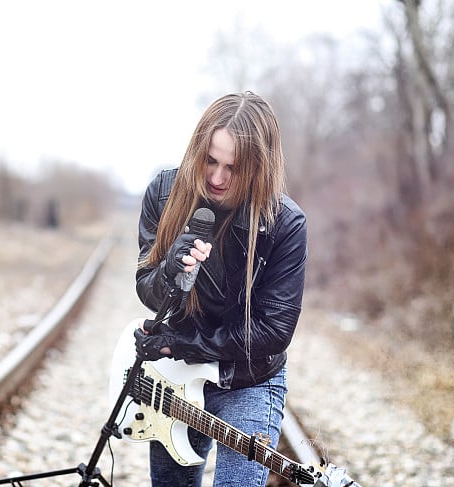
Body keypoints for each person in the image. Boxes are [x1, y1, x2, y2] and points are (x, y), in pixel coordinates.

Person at [133, 91, 307, 487]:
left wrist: (183, 343)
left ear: (259, 168)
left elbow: (274, 331)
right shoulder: (164, 195)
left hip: (247, 379)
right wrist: (169, 270)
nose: (216, 178)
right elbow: (146, 289)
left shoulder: (284, 224)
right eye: (210, 161)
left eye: (233, 168)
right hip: (174, 375)